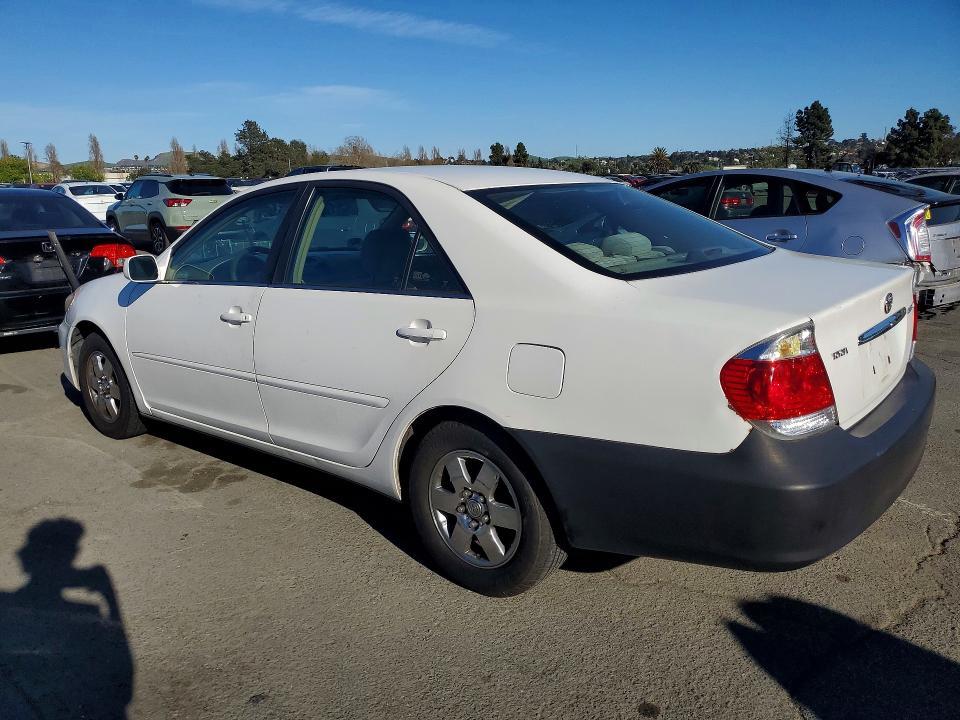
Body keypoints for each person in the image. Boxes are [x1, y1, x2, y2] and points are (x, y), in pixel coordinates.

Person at [0, 518, 133, 719]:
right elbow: (122, 687)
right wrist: (110, 597)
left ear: (26, 558)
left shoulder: (5, 607)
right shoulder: (88, 617)